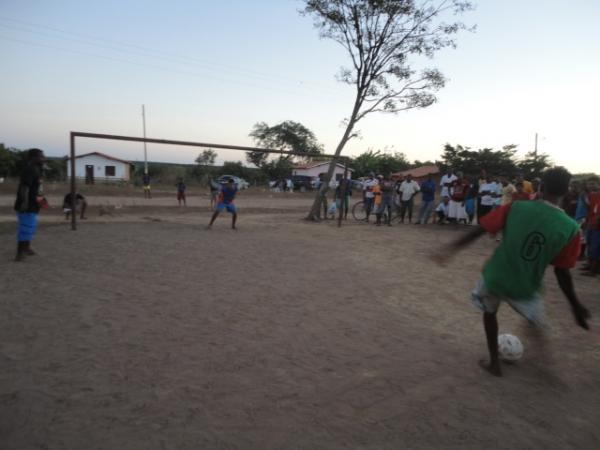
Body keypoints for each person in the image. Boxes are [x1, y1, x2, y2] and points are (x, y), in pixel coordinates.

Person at [433, 167, 590, 377]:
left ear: (540, 186)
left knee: (490, 313)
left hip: (495, 276)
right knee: (536, 322)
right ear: (567, 192)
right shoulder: (571, 228)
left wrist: (451, 248)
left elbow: (481, 229)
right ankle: (543, 362)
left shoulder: (515, 207)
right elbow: (563, 273)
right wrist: (575, 305)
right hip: (525, 285)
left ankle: (494, 364)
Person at [14, 148, 46, 261]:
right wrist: (24, 203)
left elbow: (37, 188)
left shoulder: (38, 169)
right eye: (41, 156)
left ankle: (26, 248)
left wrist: (42, 201)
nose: (43, 158)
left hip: (34, 204)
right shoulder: (30, 169)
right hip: (27, 205)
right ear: (33, 158)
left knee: (31, 227)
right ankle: (20, 253)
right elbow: (24, 187)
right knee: (26, 229)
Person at [581, 176, 600, 276]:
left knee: (596, 247)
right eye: (589, 184)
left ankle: (594, 270)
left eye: (593, 183)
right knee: (590, 244)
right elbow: (590, 208)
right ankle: (590, 265)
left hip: (598, 224)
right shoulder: (590, 195)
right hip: (591, 222)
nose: (591, 186)